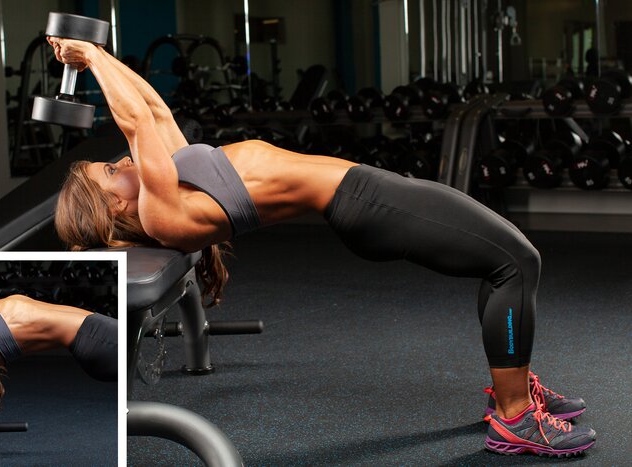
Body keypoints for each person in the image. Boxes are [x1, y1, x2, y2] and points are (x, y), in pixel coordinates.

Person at [48, 38, 595, 457]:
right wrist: (92, 58)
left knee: (504, 260)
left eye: (117, 160)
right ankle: (515, 415)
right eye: (111, 172)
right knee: (515, 262)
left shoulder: (166, 179)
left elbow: (153, 109)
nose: (122, 161)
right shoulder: (161, 210)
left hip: (369, 192)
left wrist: (96, 56)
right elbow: (135, 120)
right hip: (365, 205)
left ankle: (514, 389)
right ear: (115, 209)